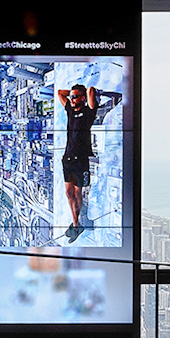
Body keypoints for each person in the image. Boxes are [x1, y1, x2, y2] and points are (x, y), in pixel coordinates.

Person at [56, 83, 99, 242]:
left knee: (77, 193)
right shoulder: (70, 111)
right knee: (69, 193)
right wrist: (73, 93)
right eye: (72, 97)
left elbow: (91, 91)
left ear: (82, 98)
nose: (72, 99)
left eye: (75, 97)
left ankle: (76, 224)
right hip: (67, 158)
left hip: (80, 160)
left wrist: (82, 93)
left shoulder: (89, 112)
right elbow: (60, 93)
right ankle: (75, 224)